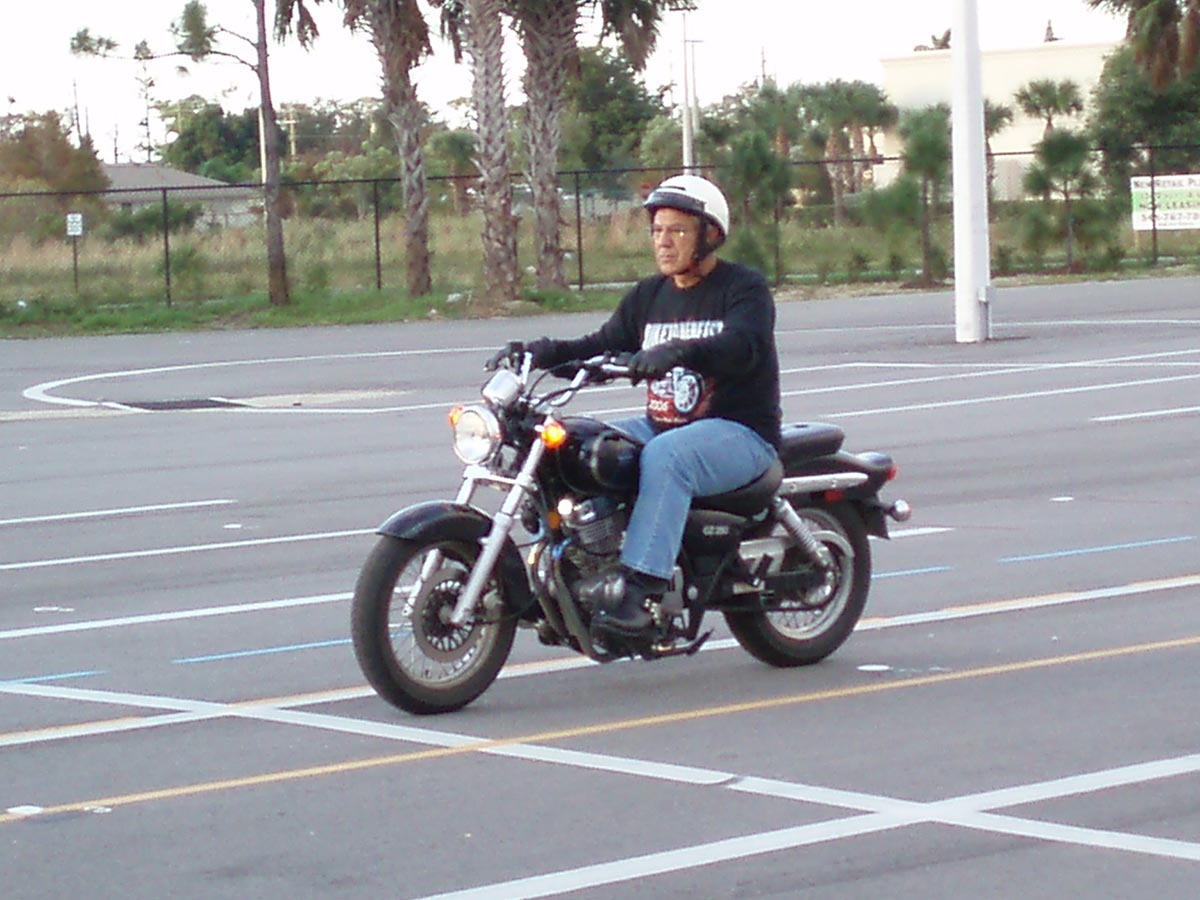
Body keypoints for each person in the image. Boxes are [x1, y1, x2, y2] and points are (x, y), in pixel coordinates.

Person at [489, 174, 782, 648]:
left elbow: (742, 346)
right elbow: (601, 345)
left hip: (739, 431)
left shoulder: (743, 288)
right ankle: (574, 572)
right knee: (574, 446)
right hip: (662, 425)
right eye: (657, 230)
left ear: (710, 235)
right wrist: (541, 352)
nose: (663, 242)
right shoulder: (650, 295)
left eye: (677, 231)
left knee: (668, 457)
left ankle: (641, 592)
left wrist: (679, 352)